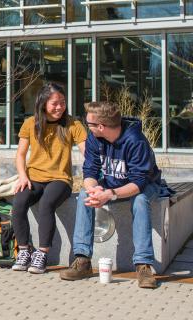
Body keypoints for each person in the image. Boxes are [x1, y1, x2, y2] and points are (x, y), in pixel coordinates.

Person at [59, 101, 162, 289]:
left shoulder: (135, 141)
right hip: (112, 185)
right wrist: (94, 189)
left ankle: (143, 265)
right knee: (84, 195)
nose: (86, 127)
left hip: (145, 185)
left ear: (101, 126)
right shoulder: (94, 139)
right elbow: (90, 171)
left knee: (140, 201)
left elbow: (138, 184)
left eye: (88, 123)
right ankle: (82, 260)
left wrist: (110, 194)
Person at [11, 82, 87, 274]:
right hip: (33, 177)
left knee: (46, 204)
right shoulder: (30, 123)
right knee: (19, 202)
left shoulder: (73, 124)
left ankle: (42, 253)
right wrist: (22, 176)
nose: (59, 107)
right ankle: (24, 250)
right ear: (43, 103)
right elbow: (20, 155)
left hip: (60, 179)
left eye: (62, 102)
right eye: (55, 103)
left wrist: (93, 177)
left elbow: (88, 153)